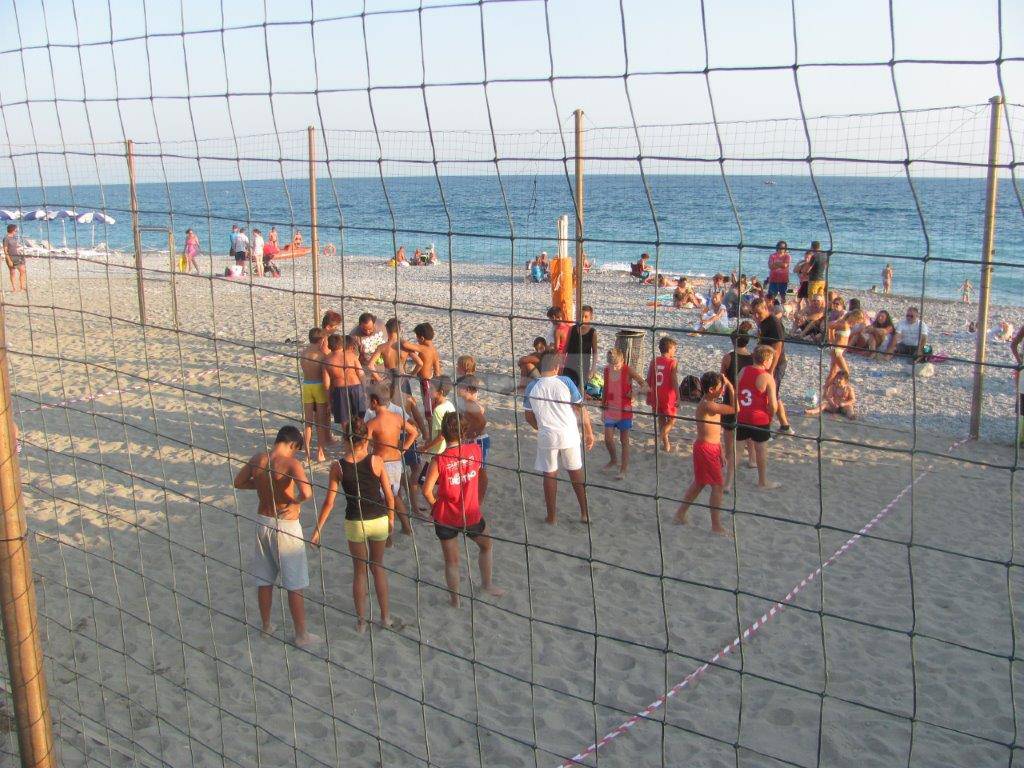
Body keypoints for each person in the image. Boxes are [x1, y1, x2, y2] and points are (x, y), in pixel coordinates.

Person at [233, 425, 319, 647]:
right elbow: (307, 492)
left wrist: (263, 488)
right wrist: (295, 503)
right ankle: (301, 634)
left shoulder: (257, 459)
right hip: (285, 523)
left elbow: (239, 482)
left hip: (263, 521)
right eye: (296, 449)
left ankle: (266, 626)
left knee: (264, 578)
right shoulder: (290, 463)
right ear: (292, 444)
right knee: (294, 581)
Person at [311, 417, 395, 633]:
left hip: (356, 521)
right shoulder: (376, 461)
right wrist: (392, 520)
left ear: (345, 440)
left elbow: (329, 503)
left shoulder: (338, 467)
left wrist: (318, 529)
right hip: (378, 519)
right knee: (377, 567)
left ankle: (361, 622)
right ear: (365, 438)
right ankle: (385, 618)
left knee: (359, 572)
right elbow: (388, 496)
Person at [422, 412, 504, 606]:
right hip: (470, 512)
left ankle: (455, 601)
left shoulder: (439, 460)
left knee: (452, 561)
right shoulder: (474, 450)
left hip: (445, 515)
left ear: (443, 432)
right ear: (464, 431)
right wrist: (478, 500)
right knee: (486, 545)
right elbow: (484, 476)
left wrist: (435, 507)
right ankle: (487, 584)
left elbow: (426, 491)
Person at [523, 350, 594, 524]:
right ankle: (584, 513)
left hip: (547, 434)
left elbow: (528, 416)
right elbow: (580, 409)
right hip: (568, 433)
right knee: (575, 472)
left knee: (550, 474)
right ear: (556, 367)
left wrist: (540, 427)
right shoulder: (566, 381)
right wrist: (589, 432)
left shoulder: (532, 386)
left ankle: (552, 517)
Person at [674, 372, 736, 535]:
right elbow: (735, 409)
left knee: (699, 483)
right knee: (717, 486)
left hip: (712, 447)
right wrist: (730, 386)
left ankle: (680, 514)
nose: (722, 390)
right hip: (705, 449)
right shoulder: (708, 405)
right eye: (720, 388)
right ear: (710, 389)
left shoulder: (711, 402)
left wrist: (721, 449)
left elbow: (716, 430)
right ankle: (716, 526)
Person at [364, 390, 418, 535]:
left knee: (385, 497)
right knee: (394, 495)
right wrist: (403, 449)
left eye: (369, 400)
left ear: (375, 402)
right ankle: (406, 527)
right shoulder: (397, 417)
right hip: (396, 461)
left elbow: (364, 445)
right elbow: (414, 432)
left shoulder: (372, 423)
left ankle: (389, 531)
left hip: (382, 463)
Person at [736, 345, 779, 490]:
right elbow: (773, 404)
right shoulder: (767, 377)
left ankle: (727, 479)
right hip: (759, 418)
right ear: (766, 360)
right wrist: (771, 415)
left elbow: (736, 392)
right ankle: (762, 482)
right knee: (761, 450)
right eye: (771, 359)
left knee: (738, 450)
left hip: (742, 415)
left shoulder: (743, 370)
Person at [720, 322, 756, 492]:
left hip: (731, 396)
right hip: (746, 398)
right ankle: (752, 459)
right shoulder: (753, 358)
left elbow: (722, 378)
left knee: (729, 430)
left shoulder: (728, 357)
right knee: (747, 430)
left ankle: (728, 458)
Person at [601, 347, 645, 481]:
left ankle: (623, 469)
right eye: (612, 365)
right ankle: (614, 460)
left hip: (625, 410)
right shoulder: (607, 370)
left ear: (622, 361)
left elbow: (645, 385)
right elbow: (606, 387)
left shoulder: (628, 370)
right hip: (611, 408)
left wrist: (635, 393)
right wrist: (603, 406)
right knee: (608, 439)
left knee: (624, 441)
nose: (614, 368)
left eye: (617, 365)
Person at [751, 298, 791, 433]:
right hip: (764, 362)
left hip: (776, 364)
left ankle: (767, 426)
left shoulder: (774, 323)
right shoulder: (762, 322)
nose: (756, 316)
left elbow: (777, 349)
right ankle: (785, 426)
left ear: (765, 309)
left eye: (758, 313)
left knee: (771, 396)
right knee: (775, 395)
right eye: (754, 313)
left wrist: (771, 370)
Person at [454, 374, 490, 501]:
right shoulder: (466, 402)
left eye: (459, 387)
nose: (457, 389)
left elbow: (482, 422)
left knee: (481, 470)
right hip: (473, 439)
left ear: (467, 389)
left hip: (479, 440)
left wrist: (472, 433)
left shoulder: (469, 403)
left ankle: (479, 498)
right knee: (473, 469)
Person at [299, 328, 331, 462]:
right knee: (321, 422)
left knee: (308, 422)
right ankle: (320, 453)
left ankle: (306, 453)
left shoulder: (303, 353)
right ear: (322, 340)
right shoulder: (322, 355)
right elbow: (325, 375)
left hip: (307, 385)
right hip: (318, 386)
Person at [646, 336, 679, 452]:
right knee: (672, 420)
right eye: (674, 349)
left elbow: (649, 378)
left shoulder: (654, 361)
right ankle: (660, 439)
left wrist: (648, 394)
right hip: (668, 396)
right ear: (669, 349)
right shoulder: (672, 362)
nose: (675, 351)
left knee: (661, 420)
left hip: (656, 395)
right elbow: (674, 380)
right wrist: (678, 396)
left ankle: (666, 445)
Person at [405, 323, 443, 424]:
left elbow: (405, 344)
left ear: (421, 338)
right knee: (432, 408)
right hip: (433, 381)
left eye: (417, 338)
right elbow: (437, 370)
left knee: (428, 413)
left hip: (425, 382)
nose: (417, 340)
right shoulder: (434, 350)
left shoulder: (423, 348)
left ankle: (431, 436)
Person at [325, 334, 365, 427]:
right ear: (341, 344)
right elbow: (361, 374)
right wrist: (364, 391)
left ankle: (346, 439)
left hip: (340, 390)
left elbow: (326, 385)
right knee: (360, 417)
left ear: (329, 346)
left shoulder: (327, 361)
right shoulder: (352, 356)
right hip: (356, 387)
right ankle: (360, 437)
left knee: (344, 419)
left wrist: (329, 402)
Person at [825, 309, 865, 386]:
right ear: (853, 317)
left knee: (833, 372)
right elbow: (829, 326)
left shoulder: (847, 324)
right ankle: (835, 389)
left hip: (839, 350)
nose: (856, 323)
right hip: (837, 350)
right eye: (856, 321)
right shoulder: (843, 323)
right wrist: (831, 340)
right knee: (845, 372)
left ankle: (826, 391)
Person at [562, 305, 598, 390]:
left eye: (586, 317)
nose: (583, 319)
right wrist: (561, 363)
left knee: (580, 390)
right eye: (581, 317)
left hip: (583, 366)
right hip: (569, 365)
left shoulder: (592, 333)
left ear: (591, 317)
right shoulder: (572, 329)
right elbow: (566, 347)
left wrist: (593, 369)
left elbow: (595, 352)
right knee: (566, 388)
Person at [4, 224, 27, 292]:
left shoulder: (14, 237)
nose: (16, 231)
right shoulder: (6, 238)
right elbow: (5, 250)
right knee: (12, 272)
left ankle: (22, 287)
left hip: (17, 256)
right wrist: (9, 260)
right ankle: (14, 288)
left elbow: (15, 246)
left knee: (22, 271)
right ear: (12, 230)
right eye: (15, 230)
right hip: (10, 257)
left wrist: (19, 250)